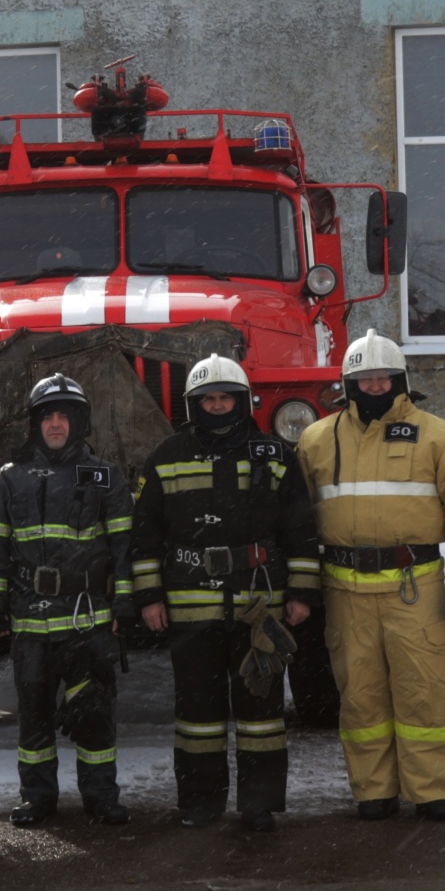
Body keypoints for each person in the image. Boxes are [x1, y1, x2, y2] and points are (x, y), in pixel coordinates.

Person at [297, 329, 445, 821]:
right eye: (364, 378)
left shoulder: (437, 435)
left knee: (425, 690)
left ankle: (432, 791)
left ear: (401, 379)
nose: (375, 385)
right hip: (344, 588)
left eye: (384, 377)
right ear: (347, 383)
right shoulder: (316, 439)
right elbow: (296, 518)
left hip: (414, 585)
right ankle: (374, 791)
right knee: (360, 695)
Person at [131, 354, 321, 832]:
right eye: (208, 399)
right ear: (194, 405)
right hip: (189, 604)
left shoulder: (275, 455)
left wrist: (301, 593)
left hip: (259, 606)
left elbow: (300, 531)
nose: (218, 407)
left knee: (261, 708)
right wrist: (149, 598)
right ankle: (200, 802)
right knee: (198, 712)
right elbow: (144, 536)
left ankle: (258, 804)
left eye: (226, 398)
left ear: (242, 402)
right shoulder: (166, 456)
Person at [0, 373, 137, 826]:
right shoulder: (9, 479)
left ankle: (101, 796)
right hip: (29, 623)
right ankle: (37, 798)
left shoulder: (106, 477)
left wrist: (125, 605)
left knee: (96, 713)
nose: (57, 424)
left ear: (79, 422)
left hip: (89, 619)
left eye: (65, 415)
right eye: (48, 416)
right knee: (34, 718)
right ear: (35, 423)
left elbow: (126, 549)